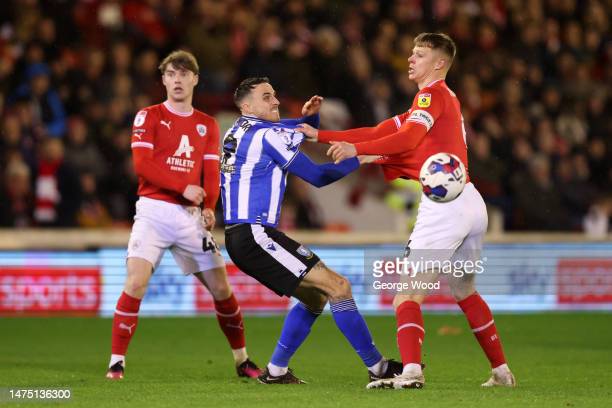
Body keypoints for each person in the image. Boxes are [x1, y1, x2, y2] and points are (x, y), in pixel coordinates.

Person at [298, 33, 516, 389]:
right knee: (465, 291)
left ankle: (412, 372)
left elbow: (408, 140)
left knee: (406, 294)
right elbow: (381, 130)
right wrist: (320, 136)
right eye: (411, 53)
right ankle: (501, 372)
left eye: (419, 54)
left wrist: (356, 150)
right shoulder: (432, 102)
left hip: (444, 207)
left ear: (440, 63)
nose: (411, 59)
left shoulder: (431, 95)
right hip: (471, 201)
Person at [221, 77, 402, 385]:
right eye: (267, 97)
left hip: (245, 235)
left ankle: (276, 371)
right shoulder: (268, 135)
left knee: (316, 298)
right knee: (338, 286)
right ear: (247, 106)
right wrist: (361, 157)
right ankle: (378, 368)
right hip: (255, 235)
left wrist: (310, 119)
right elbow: (318, 176)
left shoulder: (239, 129)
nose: (276, 101)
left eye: (275, 95)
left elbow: (297, 129)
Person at [106, 50, 260, 380]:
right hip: (153, 211)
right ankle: (116, 361)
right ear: (163, 79)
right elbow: (142, 166)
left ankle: (242, 360)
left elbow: (210, 172)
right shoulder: (147, 116)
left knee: (222, 288)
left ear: (195, 79)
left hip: (190, 217)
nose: (177, 79)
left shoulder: (206, 124)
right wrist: (183, 187)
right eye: (171, 74)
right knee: (136, 281)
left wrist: (208, 208)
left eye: (183, 74)